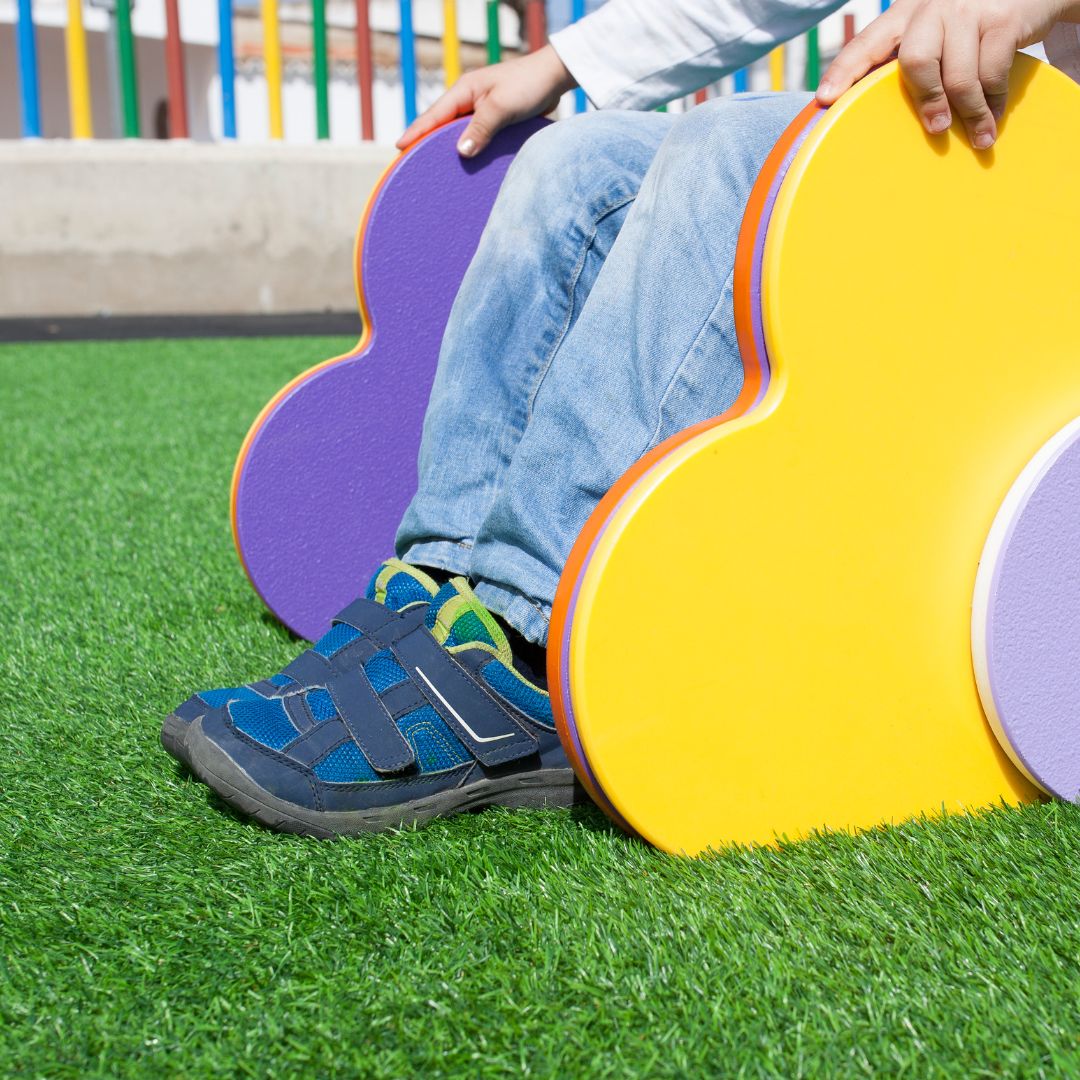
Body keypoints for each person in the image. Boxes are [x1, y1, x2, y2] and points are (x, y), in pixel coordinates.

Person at [163, 0, 1080, 838]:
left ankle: (528, 646)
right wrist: (565, 59)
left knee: (734, 152)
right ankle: (446, 592)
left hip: (1041, 184)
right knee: (581, 157)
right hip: (1014, 157)